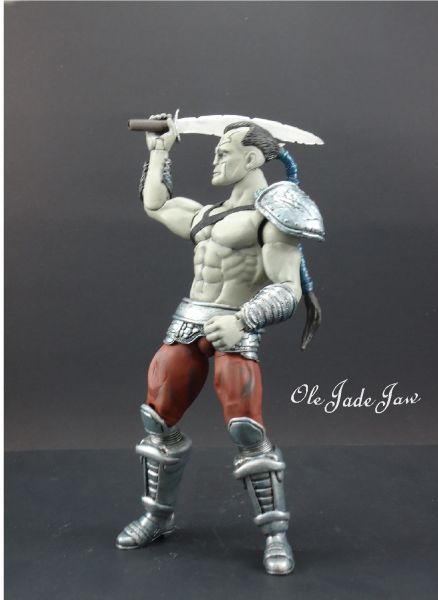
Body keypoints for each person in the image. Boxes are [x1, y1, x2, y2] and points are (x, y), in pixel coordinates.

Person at [116, 114, 324, 576]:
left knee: (247, 430)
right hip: (189, 321)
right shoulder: (208, 214)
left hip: (236, 327)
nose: (214, 158)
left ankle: (275, 534)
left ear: (251, 159)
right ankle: (157, 517)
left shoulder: (274, 213)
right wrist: (160, 152)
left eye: (223, 152)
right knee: (156, 420)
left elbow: (288, 288)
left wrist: (245, 319)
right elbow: (157, 204)